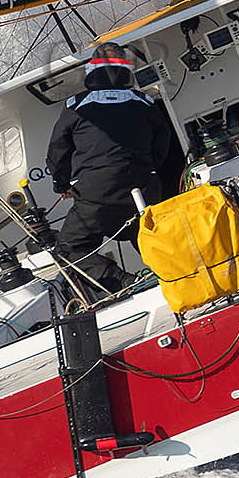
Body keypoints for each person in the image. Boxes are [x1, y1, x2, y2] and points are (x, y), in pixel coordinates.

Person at [46, 42, 177, 297]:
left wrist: (61, 185)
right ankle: (172, 273)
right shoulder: (146, 101)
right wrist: (148, 170)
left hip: (96, 195)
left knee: (69, 249)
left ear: (92, 70)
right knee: (147, 233)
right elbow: (163, 144)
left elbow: (57, 150)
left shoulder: (75, 105)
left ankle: (123, 280)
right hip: (144, 188)